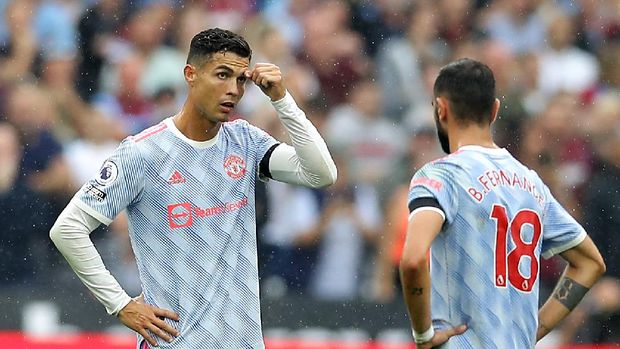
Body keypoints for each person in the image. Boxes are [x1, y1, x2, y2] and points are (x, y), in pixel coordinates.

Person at [50, 28, 337, 348]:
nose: (232, 90)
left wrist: (282, 100)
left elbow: (321, 173)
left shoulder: (245, 141)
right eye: (222, 75)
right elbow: (68, 229)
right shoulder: (143, 152)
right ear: (191, 74)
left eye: (241, 80)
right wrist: (120, 304)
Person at [399, 58, 606, 349]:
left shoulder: (441, 175)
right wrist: (535, 329)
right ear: (494, 110)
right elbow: (589, 263)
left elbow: (412, 259)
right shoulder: (531, 183)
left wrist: (424, 336)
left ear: (441, 109)